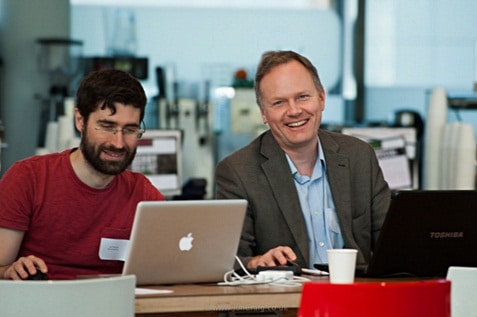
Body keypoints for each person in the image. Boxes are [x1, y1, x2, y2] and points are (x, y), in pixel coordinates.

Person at [215, 50, 391, 271]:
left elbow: (393, 243)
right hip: (287, 301)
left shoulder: (359, 156)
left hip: (355, 296)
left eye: (302, 97)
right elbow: (230, 260)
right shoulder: (238, 172)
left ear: (321, 98)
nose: (295, 110)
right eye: (279, 102)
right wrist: (257, 262)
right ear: (263, 114)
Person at [0, 69, 165, 280]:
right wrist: (10, 271)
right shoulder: (28, 178)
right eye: (106, 126)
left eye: (130, 130)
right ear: (80, 121)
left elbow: (166, 267)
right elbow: (1, 268)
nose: (118, 143)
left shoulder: (143, 192)